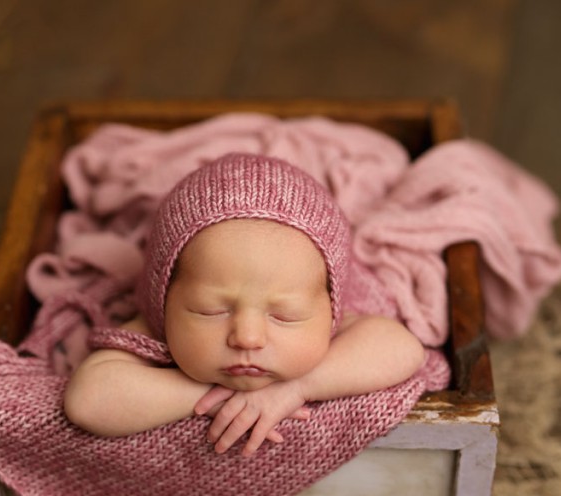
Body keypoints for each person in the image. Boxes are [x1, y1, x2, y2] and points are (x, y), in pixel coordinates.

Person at [63, 153, 425, 457]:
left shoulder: (325, 305)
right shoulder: (158, 321)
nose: (248, 338)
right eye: (211, 310)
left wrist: (298, 387)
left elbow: (402, 347)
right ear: (164, 299)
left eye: (285, 316)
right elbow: (89, 401)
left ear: (330, 310)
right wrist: (215, 396)